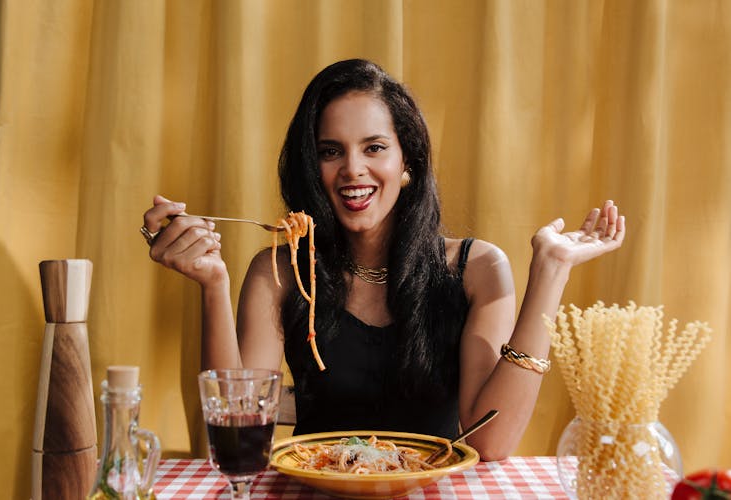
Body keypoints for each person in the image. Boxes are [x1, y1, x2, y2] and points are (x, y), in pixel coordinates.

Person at [141, 59, 625, 461]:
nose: (353, 169)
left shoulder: (477, 269)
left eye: (374, 148)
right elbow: (236, 445)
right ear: (313, 167)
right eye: (331, 151)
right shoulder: (281, 270)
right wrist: (212, 285)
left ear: (407, 163)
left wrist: (550, 272)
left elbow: (490, 442)